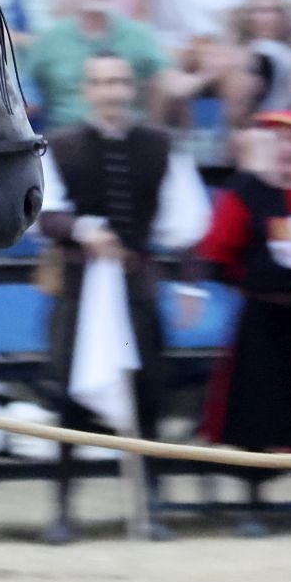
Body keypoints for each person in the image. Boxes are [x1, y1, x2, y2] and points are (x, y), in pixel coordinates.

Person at [34, 53, 211, 544]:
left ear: (130, 88)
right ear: (88, 90)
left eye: (118, 81)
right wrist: (84, 230)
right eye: (101, 83)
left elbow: (187, 221)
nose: (111, 91)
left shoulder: (160, 146)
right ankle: (63, 511)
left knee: (147, 394)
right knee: (69, 395)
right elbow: (45, 216)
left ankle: (147, 507)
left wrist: (191, 283)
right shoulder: (61, 147)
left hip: (136, 288)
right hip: (79, 290)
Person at [196, 110, 291, 533]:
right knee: (255, 406)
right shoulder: (247, 191)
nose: (289, 148)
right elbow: (217, 250)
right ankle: (253, 505)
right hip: (264, 315)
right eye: (282, 138)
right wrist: (248, 283)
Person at [21, 0, 179, 129]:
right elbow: (26, 87)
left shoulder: (139, 35)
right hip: (66, 136)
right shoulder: (50, 38)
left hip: (128, 136)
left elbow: (169, 77)